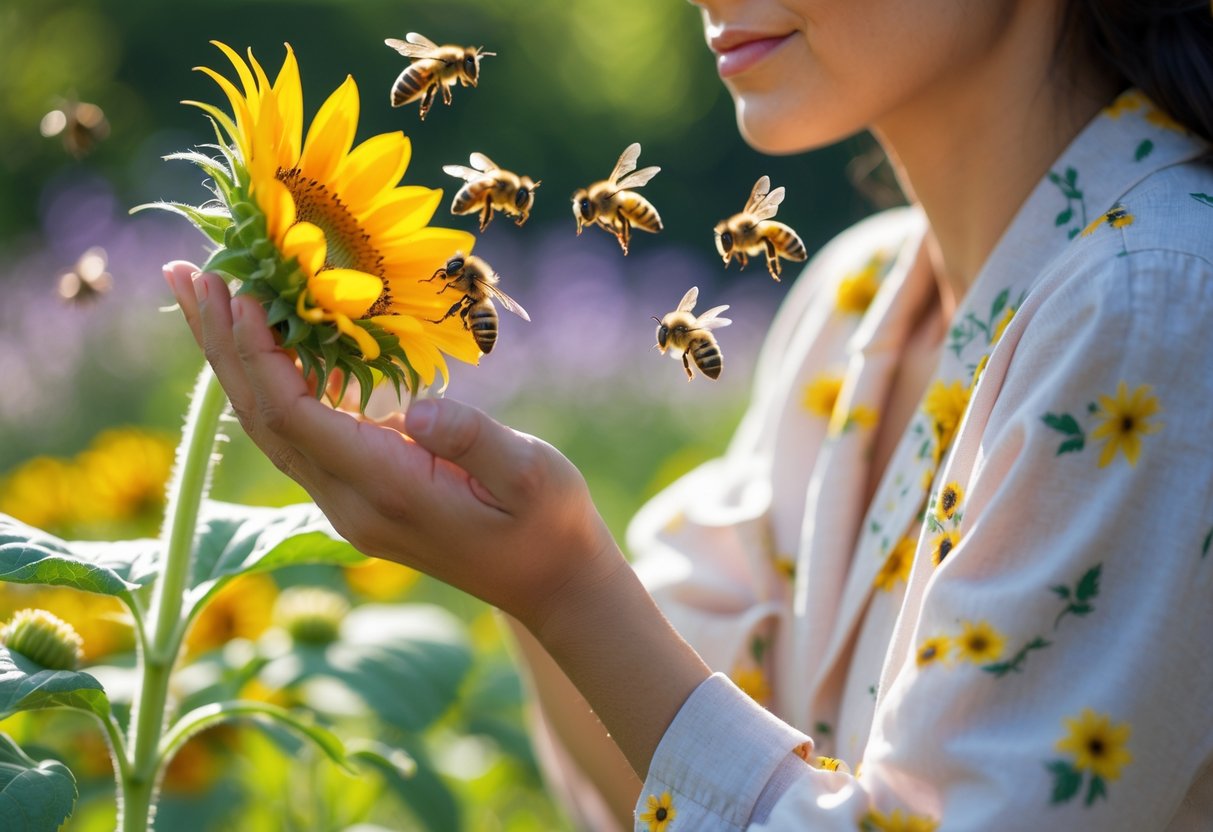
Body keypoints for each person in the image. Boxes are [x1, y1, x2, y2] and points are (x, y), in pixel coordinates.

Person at [163, 0, 1213, 828]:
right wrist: (518, 571)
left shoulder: (1156, 302)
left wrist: (567, 583)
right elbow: (676, 792)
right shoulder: (854, 302)